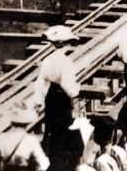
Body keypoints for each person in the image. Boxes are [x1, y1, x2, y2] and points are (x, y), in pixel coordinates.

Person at [31, 25, 81, 170]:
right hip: (62, 97)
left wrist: (38, 100)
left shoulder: (47, 60)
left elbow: (41, 82)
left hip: (51, 96)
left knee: (51, 127)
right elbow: (67, 85)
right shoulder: (66, 62)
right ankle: (61, 159)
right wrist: (75, 93)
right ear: (66, 43)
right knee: (64, 127)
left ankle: (52, 155)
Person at [0, 105, 50, 171]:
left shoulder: (1, 138)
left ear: (11, 123)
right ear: (27, 123)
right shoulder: (31, 140)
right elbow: (44, 164)